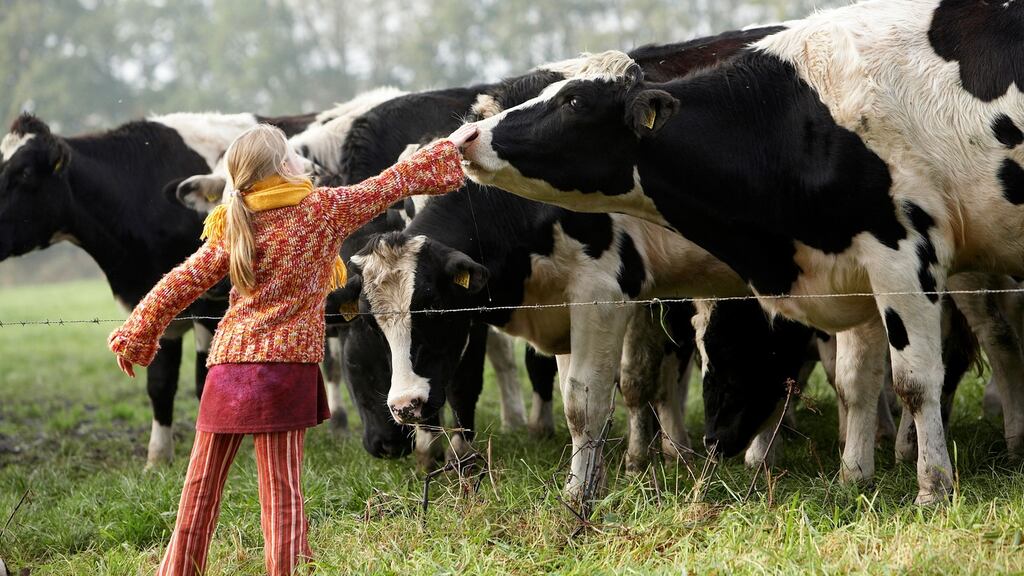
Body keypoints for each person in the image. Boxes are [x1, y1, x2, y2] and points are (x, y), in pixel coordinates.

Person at [108, 122, 478, 576]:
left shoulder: (234, 225)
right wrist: (448, 147)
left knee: (199, 489)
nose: (305, 162)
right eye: (295, 155)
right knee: (282, 493)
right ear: (284, 167)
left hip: (226, 370)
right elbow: (389, 185)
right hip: (284, 375)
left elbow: (180, 281)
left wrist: (136, 331)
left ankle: (176, 571)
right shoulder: (321, 209)